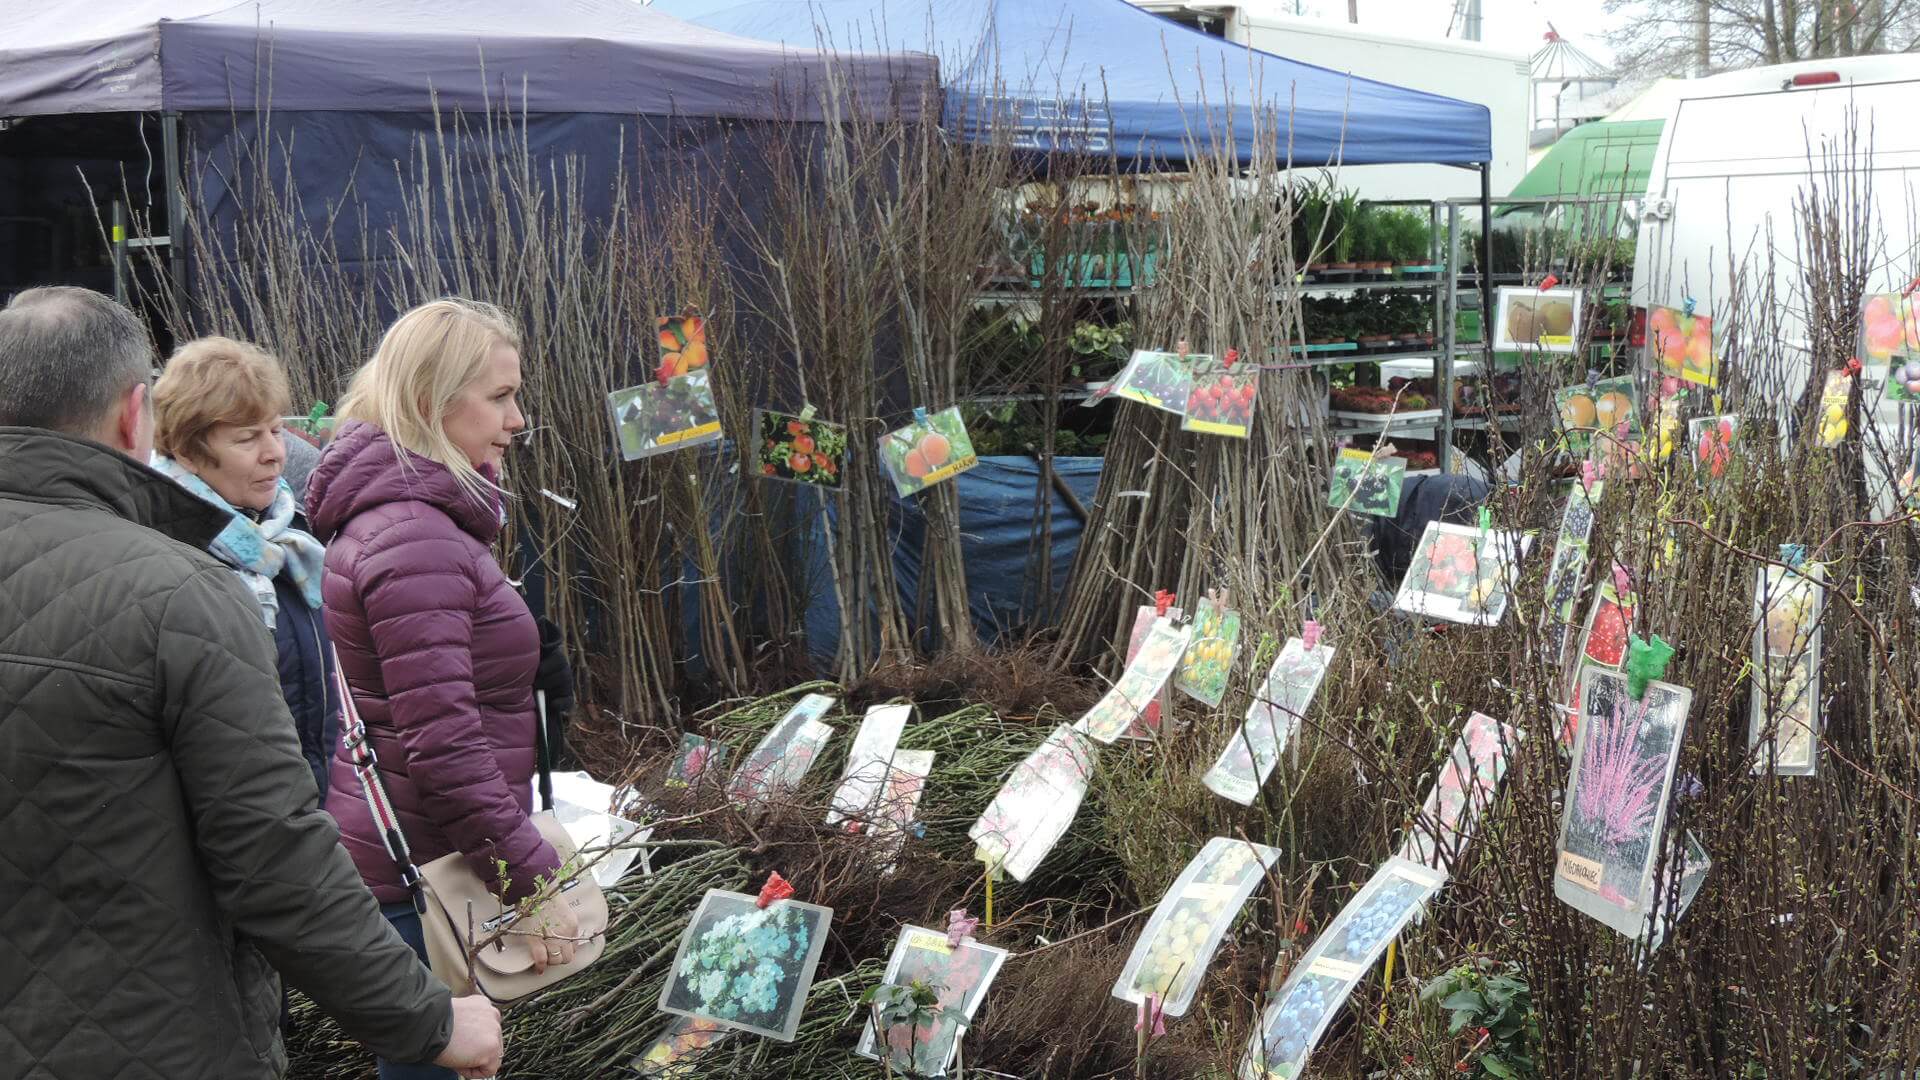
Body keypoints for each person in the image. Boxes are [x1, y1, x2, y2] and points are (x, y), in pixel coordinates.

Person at [0, 286, 503, 1079]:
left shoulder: (258, 561)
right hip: (153, 1038)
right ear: (136, 416)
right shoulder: (178, 591)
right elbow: (270, 854)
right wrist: (426, 1018)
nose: (272, 451)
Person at [308, 297, 578, 1080]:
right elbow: (444, 748)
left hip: (425, 860)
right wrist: (532, 883)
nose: (518, 420)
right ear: (431, 400)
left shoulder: (407, 520)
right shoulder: (415, 539)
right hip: (428, 878)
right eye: (500, 397)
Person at [150, 336, 337, 799]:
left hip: (306, 807)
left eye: (275, 429)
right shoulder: (162, 553)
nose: (275, 452)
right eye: (247, 438)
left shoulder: (289, 538)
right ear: (188, 452)